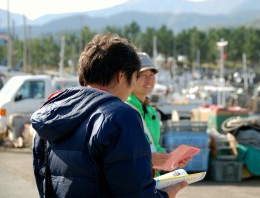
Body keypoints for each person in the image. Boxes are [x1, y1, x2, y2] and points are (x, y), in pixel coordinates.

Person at [31, 34, 187, 198]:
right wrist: (167, 194)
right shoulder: (121, 116)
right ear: (121, 76)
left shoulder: (52, 110)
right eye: (136, 77)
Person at [126, 52, 191, 176]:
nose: (149, 79)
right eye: (143, 75)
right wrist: (149, 159)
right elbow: (121, 154)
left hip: (150, 180)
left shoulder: (150, 111)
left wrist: (173, 160)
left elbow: (154, 147)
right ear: (131, 77)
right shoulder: (124, 109)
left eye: (151, 74)